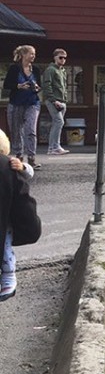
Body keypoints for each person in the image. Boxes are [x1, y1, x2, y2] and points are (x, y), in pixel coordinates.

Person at [0, 127, 41, 301]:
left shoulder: (11, 164)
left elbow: (29, 173)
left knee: (6, 250)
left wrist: (22, 166)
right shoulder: (6, 167)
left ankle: (9, 276)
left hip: (6, 221)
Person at [3, 44, 42, 170]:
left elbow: (39, 85)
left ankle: (31, 158)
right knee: (16, 130)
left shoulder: (35, 69)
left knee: (31, 129)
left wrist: (36, 87)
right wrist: (19, 86)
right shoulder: (14, 69)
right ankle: (19, 156)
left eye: (34, 54)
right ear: (24, 55)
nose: (33, 56)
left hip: (32, 102)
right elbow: (7, 85)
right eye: (31, 53)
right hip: (16, 103)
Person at [41, 47, 70, 155]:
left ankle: (54, 147)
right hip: (54, 100)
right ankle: (54, 147)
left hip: (62, 100)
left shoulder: (63, 71)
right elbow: (47, 85)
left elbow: (64, 86)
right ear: (55, 58)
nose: (63, 60)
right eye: (60, 57)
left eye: (65, 58)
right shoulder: (50, 70)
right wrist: (53, 100)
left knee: (57, 123)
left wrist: (64, 99)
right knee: (59, 121)